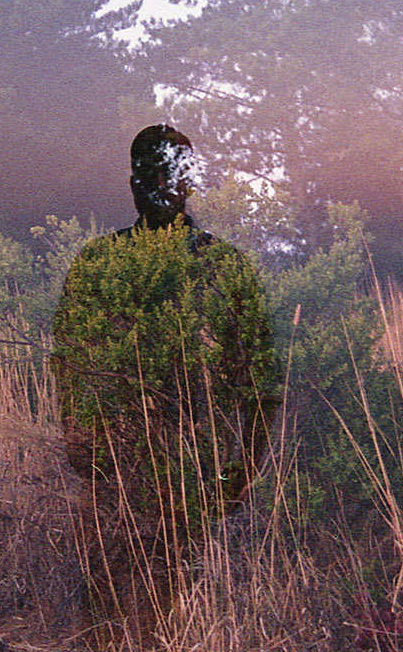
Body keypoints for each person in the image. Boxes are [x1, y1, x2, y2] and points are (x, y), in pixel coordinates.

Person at [51, 124, 281, 531]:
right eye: (151, 171)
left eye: (174, 172)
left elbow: (261, 385)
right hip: (118, 482)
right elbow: (69, 363)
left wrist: (237, 477)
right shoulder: (99, 262)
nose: (162, 184)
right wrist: (89, 461)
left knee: (200, 585)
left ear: (190, 181)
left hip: (204, 481)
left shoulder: (224, 264)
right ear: (132, 182)